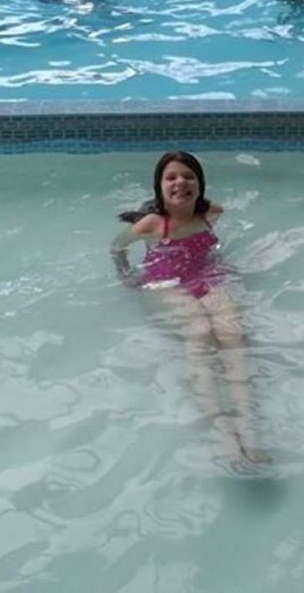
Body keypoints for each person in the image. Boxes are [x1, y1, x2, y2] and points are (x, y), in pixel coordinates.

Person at [111, 152, 265, 468]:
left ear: (200, 185)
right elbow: (116, 246)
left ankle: (248, 425)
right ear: (159, 187)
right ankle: (220, 429)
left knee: (232, 334)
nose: (180, 182)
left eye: (188, 176)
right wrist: (125, 275)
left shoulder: (210, 213)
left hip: (207, 277)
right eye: (171, 177)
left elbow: (214, 234)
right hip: (164, 283)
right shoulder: (151, 224)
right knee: (200, 332)